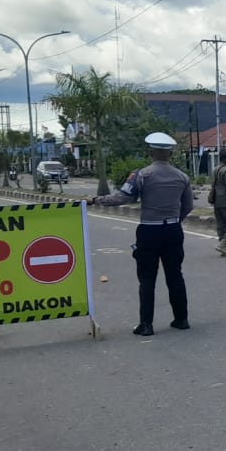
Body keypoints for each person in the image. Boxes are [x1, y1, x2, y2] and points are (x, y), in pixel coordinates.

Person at [87, 132, 193, 336]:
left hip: (149, 230)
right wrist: (174, 221)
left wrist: (95, 200)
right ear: (170, 152)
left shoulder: (142, 175)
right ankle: (181, 319)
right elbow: (188, 205)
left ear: (151, 151)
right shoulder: (182, 176)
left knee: (147, 278)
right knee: (175, 275)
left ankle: (146, 324)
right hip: (173, 230)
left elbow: (121, 198)